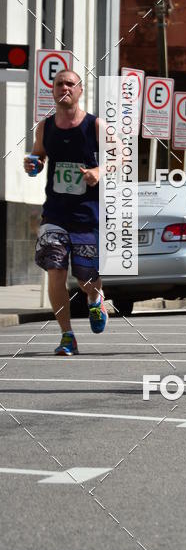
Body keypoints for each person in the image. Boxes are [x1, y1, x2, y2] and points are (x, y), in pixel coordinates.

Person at [23, 70, 107, 355]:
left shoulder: (96, 126)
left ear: (80, 91)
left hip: (87, 215)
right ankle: (67, 335)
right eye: (59, 84)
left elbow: (120, 155)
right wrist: (33, 163)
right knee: (55, 271)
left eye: (70, 84)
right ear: (53, 91)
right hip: (55, 214)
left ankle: (96, 300)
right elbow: (39, 155)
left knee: (85, 279)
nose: (64, 88)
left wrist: (99, 170)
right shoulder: (45, 127)